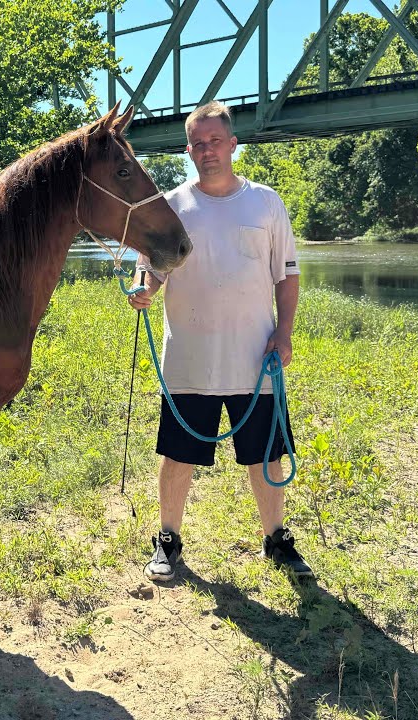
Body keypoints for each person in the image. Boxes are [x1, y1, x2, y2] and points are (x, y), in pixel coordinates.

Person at [129, 100, 311, 581]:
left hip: (255, 358)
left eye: (215, 141)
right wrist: (145, 290)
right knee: (177, 455)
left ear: (233, 144)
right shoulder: (171, 206)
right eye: (197, 143)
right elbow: (152, 268)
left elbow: (287, 276)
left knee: (266, 455)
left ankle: (277, 539)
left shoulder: (266, 203)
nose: (206, 150)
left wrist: (284, 332)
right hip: (189, 358)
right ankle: (167, 541)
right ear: (188, 149)